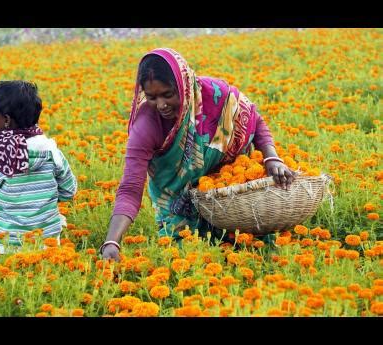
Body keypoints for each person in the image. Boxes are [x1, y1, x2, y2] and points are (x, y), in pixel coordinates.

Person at [101, 48, 296, 260]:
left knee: (254, 251)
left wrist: (271, 157)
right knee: (187, 260)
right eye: (151, 97)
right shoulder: (146, 126)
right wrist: (112, 242)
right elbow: (130, 188)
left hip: (230, 195)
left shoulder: (215, 95)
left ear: (184, 85)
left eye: (168, 94)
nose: (161, 105)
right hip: (179, 206)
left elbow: (253, 119)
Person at [0, 81, 77, 253]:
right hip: (48, 243)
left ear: (6, 120)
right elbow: (68, 190)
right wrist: (42, 203)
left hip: (7, 244)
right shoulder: (50, 151)